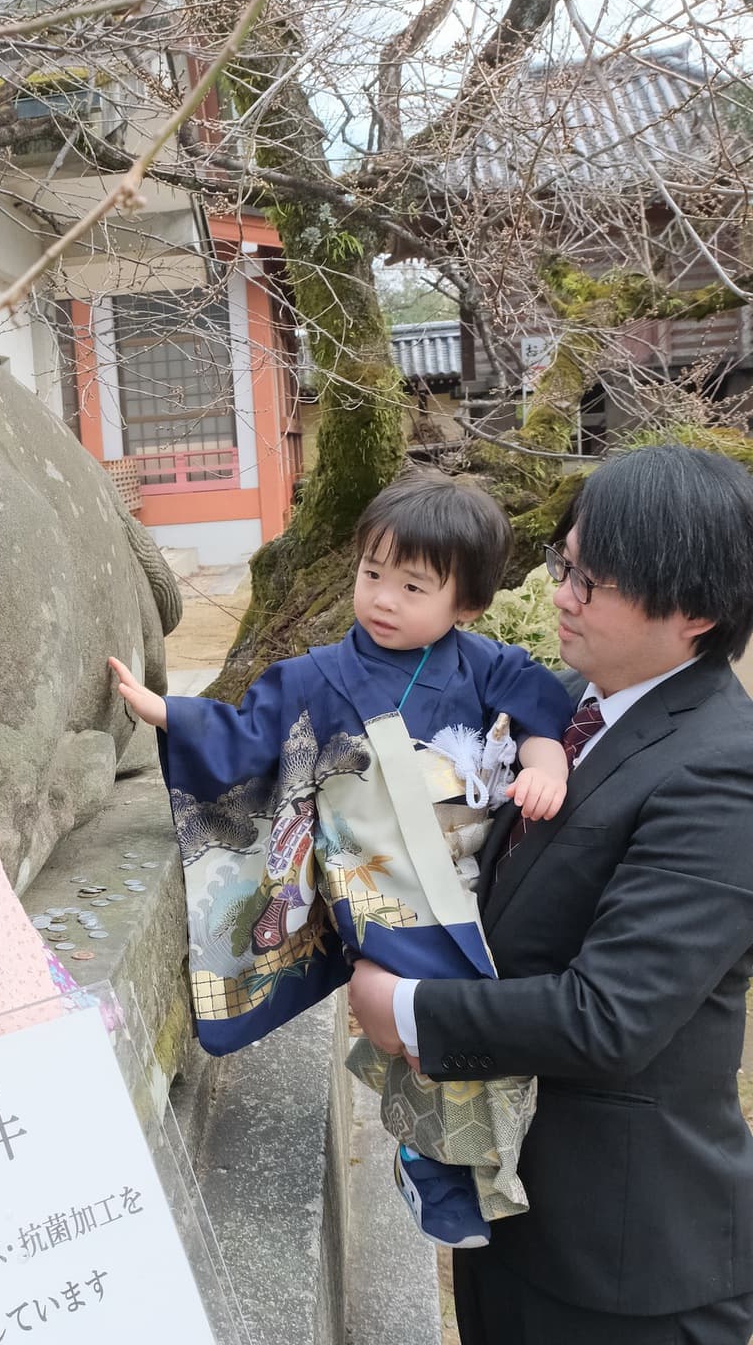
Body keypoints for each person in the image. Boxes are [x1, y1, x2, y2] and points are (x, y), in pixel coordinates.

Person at [350, 444, 753, 1345]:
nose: (563, 595)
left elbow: (611, 1016)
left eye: (593, 582)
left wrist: (405, 1012)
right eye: (563, 564)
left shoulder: (725, 771)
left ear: (695, 612)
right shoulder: (567, 706)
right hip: (513, 1207)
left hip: (627, 1259)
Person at [111, 470, 574, 1249]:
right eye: (372, 574)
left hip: (466, 872)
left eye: (412, 586)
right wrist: (171, 715)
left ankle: (457, 1158)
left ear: (467, 606)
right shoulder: (315, 677)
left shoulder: (485, 662)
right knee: (442, 1000)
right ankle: (431, 1161)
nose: (383, 599)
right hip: (379, 881)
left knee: (481, 1003)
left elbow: (541, 712)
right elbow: (246, 737)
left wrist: (545, 763)